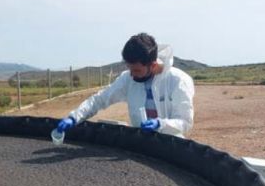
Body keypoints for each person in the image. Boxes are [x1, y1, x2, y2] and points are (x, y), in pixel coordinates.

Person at [56, 33, 195, 138]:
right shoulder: (128, 79)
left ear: (152, 65)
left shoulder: (178, 81)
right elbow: (100, 100)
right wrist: (74, 117)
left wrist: (160, 124)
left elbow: (185, 122)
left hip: (172, 147)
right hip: (142, 145)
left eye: (137, 70)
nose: (132, 74)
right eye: (130, 68)